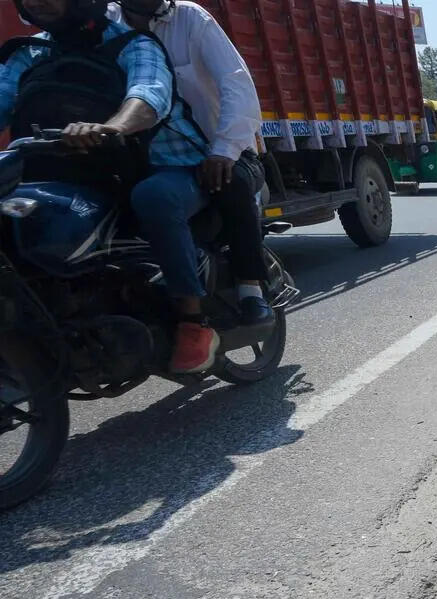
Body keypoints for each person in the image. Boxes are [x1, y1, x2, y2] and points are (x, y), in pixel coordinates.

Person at [0, 0, 218, 372]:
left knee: (154, 199)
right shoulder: (30, 53)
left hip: (145, 167)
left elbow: (148, 94)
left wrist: (113, 127)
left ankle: (192, 321)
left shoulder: (133, 44)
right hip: (58, 176)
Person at [109, 0, 272, 328]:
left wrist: (224, 149)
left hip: (219, 151)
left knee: (229, 181)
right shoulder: (104, 23)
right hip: (147, 160)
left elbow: (236, 84)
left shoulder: (190, 18)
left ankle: (250, 289)